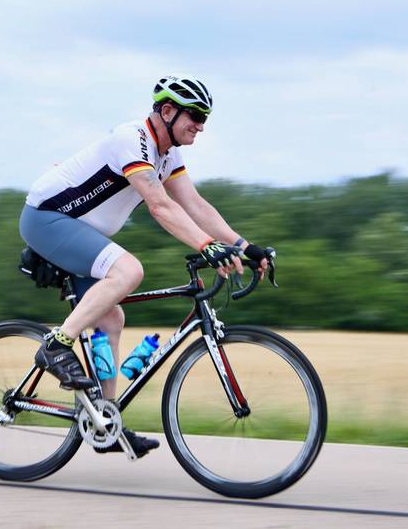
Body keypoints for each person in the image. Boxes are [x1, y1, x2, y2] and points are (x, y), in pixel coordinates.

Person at [19, 74, 268, 457]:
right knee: (129, 271)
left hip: (80, 231)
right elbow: (159, 205)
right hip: (48, 219)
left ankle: (104, 421)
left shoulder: (169, 155)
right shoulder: (132, 139)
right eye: (195, 116)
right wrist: (205, 245)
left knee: (111, 320)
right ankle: (56, 346)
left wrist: (243, 246)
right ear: (166, 111)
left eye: (205, 118)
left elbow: (195, 205)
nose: (200, 125)